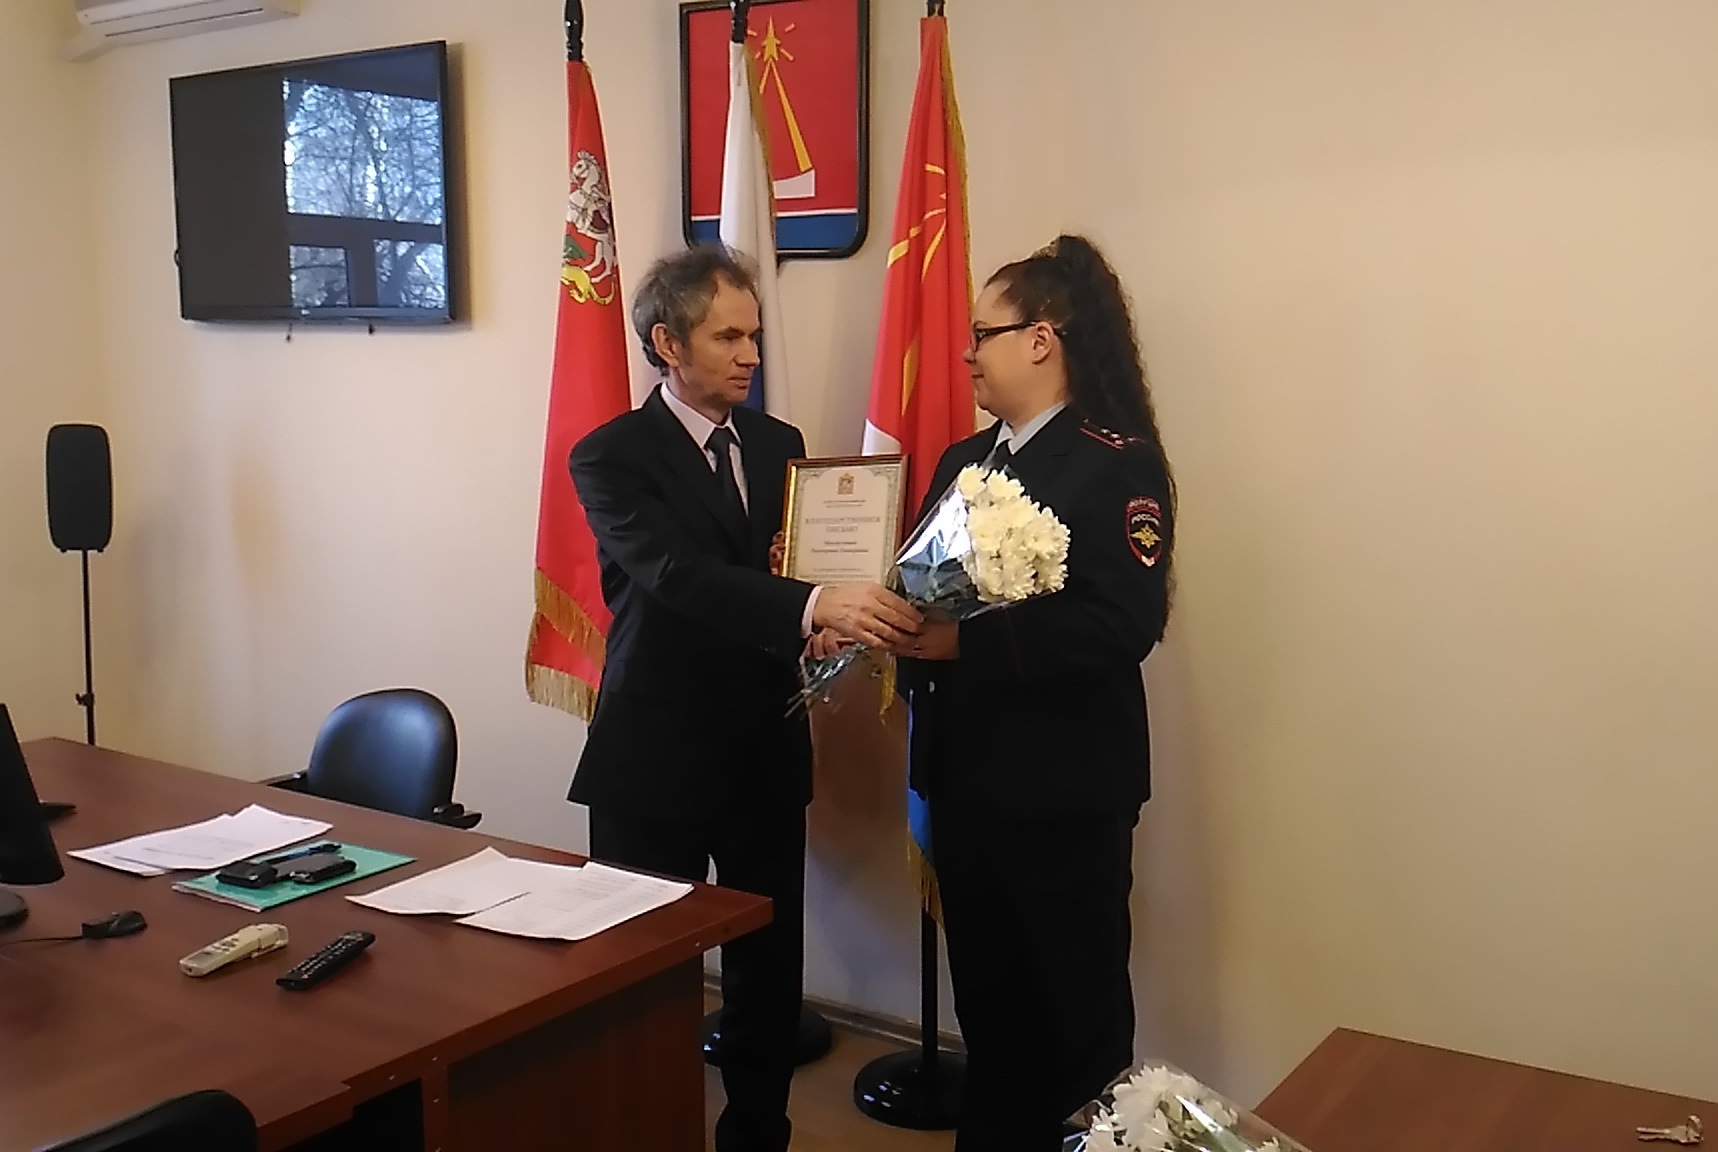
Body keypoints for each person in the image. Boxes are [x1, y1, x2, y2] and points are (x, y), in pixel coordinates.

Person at [567, 245, 922, 1152]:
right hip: (656, 754)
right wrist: (811, 603)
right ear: (667, 343)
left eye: (754, 335)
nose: (750, 355)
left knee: (767, 971)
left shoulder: (777, 445)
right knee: (644, 973)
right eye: (728, 336)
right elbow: (676, 576)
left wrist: (818, 623)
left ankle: (759, 1136)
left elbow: (783, 577)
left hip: (764, 742)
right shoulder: (610, 456)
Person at [896, 234, 1176, 1152]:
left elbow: (1121, 624)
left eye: (983, 334)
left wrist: (963, 644)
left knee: (1077, 1027)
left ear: (1042, 340)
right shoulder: (962, 461)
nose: (967, 353)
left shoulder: (1114, 463)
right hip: (967, 788)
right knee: (992, 1020)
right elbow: (921, 592)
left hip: (1062, 795)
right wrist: (880, 625)